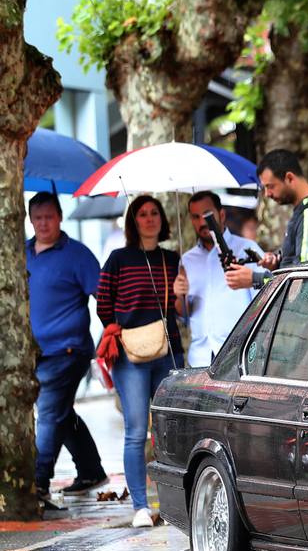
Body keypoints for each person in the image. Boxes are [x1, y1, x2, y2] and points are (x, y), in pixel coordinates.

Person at [96, 195, 183, 527]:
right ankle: (140, 506)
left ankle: (174, 504)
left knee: (168, 430)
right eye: (143, 214)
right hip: (130, 354)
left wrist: (183, 295)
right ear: (133, 221)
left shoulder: (172, 259)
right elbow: (103, 304)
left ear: (162, 219)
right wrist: (121, 328)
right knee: (136, 430)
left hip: (168, 351)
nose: (149, 219)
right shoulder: (118, 259)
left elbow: (181, 309)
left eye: (155, 213)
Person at [25, 192, 108, 508]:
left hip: (68, 351)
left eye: (49, 216)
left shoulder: (77, 255)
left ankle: (37, 486)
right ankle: (90, 471)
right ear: (31, 219)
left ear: (60, 217)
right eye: (38, 217)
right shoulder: (23, 253)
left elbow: (104, 297)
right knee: (59, 412)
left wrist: (110, 336)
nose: (43, 223)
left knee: (48, 414)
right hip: (33, 353)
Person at [176, 191, 267, 367]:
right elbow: (184, 315)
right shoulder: (186, 260)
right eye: (195, 217)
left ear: (222, 214)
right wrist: (179, 295)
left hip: (239, 354)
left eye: (207, 215)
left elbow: (265, 298)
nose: (202, 222)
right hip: (200, 357)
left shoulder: (247, 249)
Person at [226, 149, 308, 291]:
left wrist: (255, 279)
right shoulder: (305, 212)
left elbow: (304, 279)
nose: (267, 194)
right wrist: (277, 264)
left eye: (270, 186)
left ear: (289, 178)